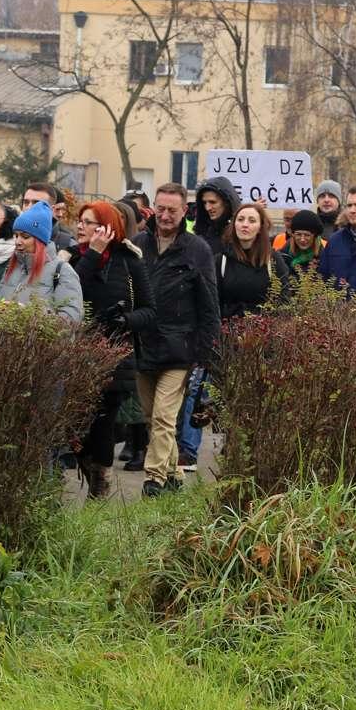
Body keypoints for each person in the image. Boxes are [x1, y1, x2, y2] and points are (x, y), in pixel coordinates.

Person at [133, 183, 220, 498]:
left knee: (164, 415)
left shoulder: (197, 249)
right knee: (150, 416)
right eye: (161, 208)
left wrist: (208, 353)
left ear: (185, 211)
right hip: (143, 344)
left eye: (172, 210)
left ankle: (153, 480)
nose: (165, 215)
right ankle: (175, 474)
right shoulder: (138, 244)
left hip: (180, 347)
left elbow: (210, 304)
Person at [70, 200, 158, 499]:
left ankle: (100, 485)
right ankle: (88, 467)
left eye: (89, 221)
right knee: (75, 424)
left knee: (103, 421)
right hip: (75, 353)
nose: (81, 226)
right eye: (79, 220)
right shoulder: (71, 258)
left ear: (107, 227)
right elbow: (73, 290)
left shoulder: (129, 260)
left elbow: (149, 310)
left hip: (115, 354)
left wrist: (125, 320)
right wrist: (92, 254)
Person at [0, 201, 83, 324]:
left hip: (40, 343)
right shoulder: (11, 267)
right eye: (16, 235)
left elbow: (71, 319)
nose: (18, 241)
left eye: (25, 237)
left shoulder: (62, 271)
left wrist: (29, 315)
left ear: (40, 240)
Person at [217, 203, 292, 318]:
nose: (245, 225)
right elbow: (212, 303)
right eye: (240, 219)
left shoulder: (273, 260)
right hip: (227, 331)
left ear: (260, 228)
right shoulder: (221, 260)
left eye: (252, 221)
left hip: (263, 331)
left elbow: (283, 302)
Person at [21, 184, 75, 257]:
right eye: (26, 202)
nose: (29, 207)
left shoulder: (68, 244)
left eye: (36, 203)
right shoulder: (10, 237)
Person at [193, 176, 240, 254]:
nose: (207, 208)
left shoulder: (242, 234)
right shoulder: (201, 237)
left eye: (212, 202)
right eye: (204, 203)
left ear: (226, 202)